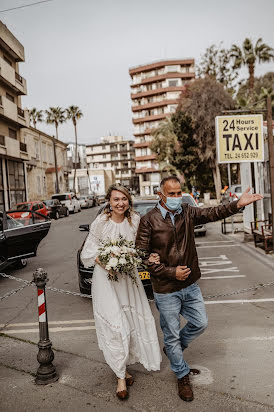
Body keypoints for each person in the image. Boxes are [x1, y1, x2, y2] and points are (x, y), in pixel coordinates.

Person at [135, 176, 263, 402]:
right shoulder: (148, 221)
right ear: (160, 195)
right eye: (171, 194)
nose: (176, 197)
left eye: (178, 193)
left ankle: (173, 351)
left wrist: (238, 204)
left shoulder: (187, 212)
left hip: (190, 284)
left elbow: (213, 213)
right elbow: (142, 255)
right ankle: (181, 374)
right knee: (171, 334)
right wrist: (170, 272)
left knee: (200, 323)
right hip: (165, 288)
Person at [81, 184, 161, 400]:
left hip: (128, 279)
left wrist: (146, 257)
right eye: (116, 199)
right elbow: (88, 251)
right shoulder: (101, 222)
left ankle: (124, 369)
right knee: (115, 324)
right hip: (106, 280)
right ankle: (120, 377)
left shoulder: (134, 220)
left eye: (124, 199)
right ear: (109, 201)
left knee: (130, 321)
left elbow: (140, 247)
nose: (120, 203)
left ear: (129, 200)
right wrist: (107, 262)